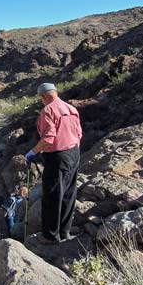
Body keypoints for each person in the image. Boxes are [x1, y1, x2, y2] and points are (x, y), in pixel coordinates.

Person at [25, 83, 82, 243]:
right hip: (74, 153)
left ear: (43, 97)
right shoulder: (71, 109)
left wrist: (32, 152)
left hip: (57, 156)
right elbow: (79, 134)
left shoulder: (48, 111)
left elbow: (48, 138)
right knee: (69, 194)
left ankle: (50, 236)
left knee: (52, 195)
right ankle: (65, 233)